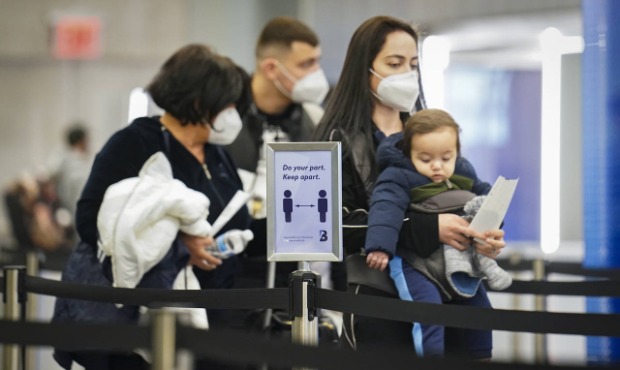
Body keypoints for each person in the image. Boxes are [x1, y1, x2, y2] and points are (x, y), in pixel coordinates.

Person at [313, 16, 506, 358]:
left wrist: (484, 231)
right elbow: (331, 228)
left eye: (413, 65)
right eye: (394, 63)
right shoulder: (338, 138)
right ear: (365, 68)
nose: (407, 74)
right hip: (380, 300)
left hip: (453, 288)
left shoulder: (428, 130)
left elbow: (464, 192)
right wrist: (430, 229)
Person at [52, 44, 252, 370]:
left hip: (213, 316)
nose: (233, 114)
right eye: (228, 104)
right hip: (142, 320)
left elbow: (235, 213)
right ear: (199, 102)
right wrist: (180, 245)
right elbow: (90, 220)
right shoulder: (135, 142)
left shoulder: (218, 154)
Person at [365, 108, 512, 357]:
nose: (437, 166)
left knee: (480, 310)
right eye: (425, 159)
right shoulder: (397, 176)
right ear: (409, 152)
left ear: (456, 152)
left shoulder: (464, 173)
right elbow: (385, 210)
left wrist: (492, 228)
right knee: (428, 314)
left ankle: (481, 357)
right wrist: (380, 246)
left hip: (457, 259)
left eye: (446, 158)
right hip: (414, 264)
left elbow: (488, 198)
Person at [225, 17, 345, 294]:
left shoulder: (317, 121)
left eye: (317, 61)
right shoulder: (225, 123)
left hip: (298, 272)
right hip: (235, 275)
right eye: (306, 64)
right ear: (271, 68)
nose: (317, 73)